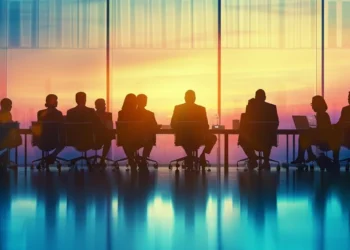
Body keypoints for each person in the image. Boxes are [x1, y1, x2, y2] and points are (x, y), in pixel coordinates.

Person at [170, 90, 217, 168]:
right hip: (198, 138)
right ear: (195, 98)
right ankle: (201, 155)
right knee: (213, 137)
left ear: (184, 98)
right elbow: (206, 126)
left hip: (182, 137)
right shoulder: (201, 109)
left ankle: (190, 158)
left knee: (187, 141)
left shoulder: (178, 108)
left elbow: (172, 124)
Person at [291, 95, 339, 165]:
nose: (312, 106)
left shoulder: (323, 115)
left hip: (324, 139)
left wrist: (311, 130)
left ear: (318, 105)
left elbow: (323, 130)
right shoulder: (320, 114)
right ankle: (308, 156)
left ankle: (304, 157)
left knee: (303, 137)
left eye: (313, 104)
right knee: (304, 136)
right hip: (321, 137)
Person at [239, 89, 279, 170]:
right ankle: (266, 162)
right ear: (265, 97)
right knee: (266, 140)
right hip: (268, 138)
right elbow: (276, 123)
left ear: (255, 97)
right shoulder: (272, 107)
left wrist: (250, 105)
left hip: (253, 139)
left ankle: (253, 158)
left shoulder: (251, 107)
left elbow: (247, 122)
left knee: (242, 139)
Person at [67, 92, 111, 164]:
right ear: (85, 100)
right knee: (108, 139)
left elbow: (68, 128)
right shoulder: (91, 111)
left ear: (76, 100)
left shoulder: (70, 112)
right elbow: (99, 125)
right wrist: (109, 131)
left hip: (74, 141)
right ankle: (102, 160)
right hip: (90, 141)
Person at [37, 94, 65, 164]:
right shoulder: (57, 113)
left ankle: (52, 156)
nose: (56, 102)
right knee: (63, 141)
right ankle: (53, 155)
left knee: (63, 139)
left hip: (43, 141)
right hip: (52, 140)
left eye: (56, 100)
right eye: (55, 100)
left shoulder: (41, 113)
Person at [136, 94, 158, 172]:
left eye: (145, 101)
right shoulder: (149, 114)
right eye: (143, 101)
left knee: (149, 139)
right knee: (150, 140)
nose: (144, 102)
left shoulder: (150, 114)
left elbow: (154, 125)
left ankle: (142, 160)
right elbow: (155, 126)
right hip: (138, 137)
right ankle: (143, 160)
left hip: (143, 137)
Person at [117, 93, 139, 173]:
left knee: (125, 140)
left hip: (129, 136)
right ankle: (131, 159)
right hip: (134, 136)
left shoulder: (121, 112)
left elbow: (119, 126)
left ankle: (131, 160)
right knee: (126, 140)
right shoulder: (138, 112)